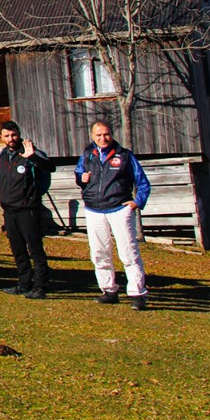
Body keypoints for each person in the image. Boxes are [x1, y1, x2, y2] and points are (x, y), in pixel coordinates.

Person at [75, 119, 151, 310]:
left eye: (106, 134)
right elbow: (79, 175)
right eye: (98, 135)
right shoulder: (87, 155)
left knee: (128, 253)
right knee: (99, 253)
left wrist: (137, 202)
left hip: (119, 209)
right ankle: (108, 290)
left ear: (112, 134)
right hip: (94, 210)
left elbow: (142, 182)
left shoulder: (124, 156)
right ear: (92, 136)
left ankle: (137, 293)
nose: (103, 138)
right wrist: (81, 178)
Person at [0, 120, 51, 299]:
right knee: (18, 250)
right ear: (2, 137)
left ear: (18, 134)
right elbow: (1, 180)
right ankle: (23, 283)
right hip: (10, 210)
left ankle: (40, 285)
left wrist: (32, 157)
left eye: (13, 135)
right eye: (7, 136)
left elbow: (50, 167)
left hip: (28, 209)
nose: (11, 138)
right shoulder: (3, 155)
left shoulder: (29, 151)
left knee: (35, 249)